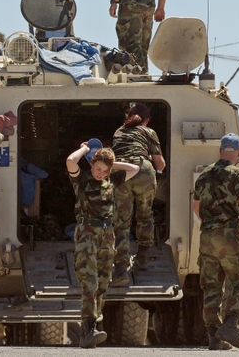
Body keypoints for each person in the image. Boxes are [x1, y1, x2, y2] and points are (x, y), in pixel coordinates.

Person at [66, 142, 139, 348]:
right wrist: (84, 149)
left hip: (107, 235)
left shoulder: (112, 180)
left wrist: (111, 164)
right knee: (90, 281)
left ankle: (89, 329)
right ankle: (89, 329)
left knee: (103, 282)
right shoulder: (82, 179)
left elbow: (135, 169)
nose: (100, 173)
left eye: (104, 170)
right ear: (91, 165)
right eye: (98, 168)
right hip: (87, 233)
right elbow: (71, 161)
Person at [192, 133, 239, 350]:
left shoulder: (204, 175)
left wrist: (211, 223)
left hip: (207, 237)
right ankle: (230, 323)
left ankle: (214, 337)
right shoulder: (237, 174)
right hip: (228, 235)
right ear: (238, 153)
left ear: (220, 151)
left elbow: (197, 210)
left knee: (211, 286)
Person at [109, 103, 166, 286]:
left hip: (122, 172)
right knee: (145, 214)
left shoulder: (118, 132)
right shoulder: (149, 132)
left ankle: (120, 270)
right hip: (142, 170)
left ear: (128, 117)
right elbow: (160, 165)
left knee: (121, 222)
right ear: (147, 119)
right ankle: (142, 257)